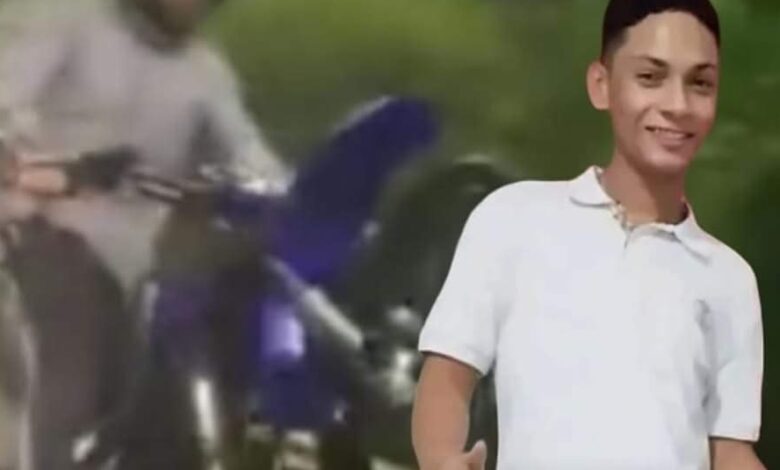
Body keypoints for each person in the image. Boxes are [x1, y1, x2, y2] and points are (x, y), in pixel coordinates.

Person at [411, 1, 766, 469]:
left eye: (700, 83)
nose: (678, 105)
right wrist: (441, 458)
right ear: (601, 85)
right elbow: (448, 378)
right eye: (651, 77)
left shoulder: (729, 279)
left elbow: (730, 451)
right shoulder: (513, 218)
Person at [0, 0, 290, 294]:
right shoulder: (70, 20)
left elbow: (250, 157)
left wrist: (286, 199)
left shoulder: (207, 76)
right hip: (30, 229)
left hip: (122, 266)